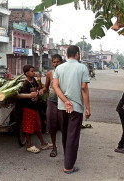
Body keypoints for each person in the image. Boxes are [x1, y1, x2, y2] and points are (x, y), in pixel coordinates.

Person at [53, 45, 90, 174]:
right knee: (73, 136)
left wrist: (65, 101)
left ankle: (67, 158)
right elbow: (84, 88)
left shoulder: (59, 68)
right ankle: (69, 166)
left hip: (62, 107)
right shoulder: (82, 68)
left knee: (65, 134)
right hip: (76, 108)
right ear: (77, 54)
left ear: (67, 54)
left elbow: (55, 87)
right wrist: (87, 108)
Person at [20, 64, 52, 154]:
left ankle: (43, 143)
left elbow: (39, 89)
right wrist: (31, 95)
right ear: (27, 73)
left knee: (38, 125)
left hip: (35, 107)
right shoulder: (25, 83)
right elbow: (24, 96)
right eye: (32, 71)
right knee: (28, 126)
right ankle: (29, 145)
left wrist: (39, 80)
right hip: (28, 108)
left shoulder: (33, 80)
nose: (34, 73)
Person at [43, 54, 63, 157]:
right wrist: (41, 91)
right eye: (54, 62)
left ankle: (66, 147)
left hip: (63, 102)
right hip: (51, 101)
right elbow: (46, 87)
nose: (55, 64)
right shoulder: (50, 74)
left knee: (64, 126)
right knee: (52, 125)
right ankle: (54, 147)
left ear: (61, 62)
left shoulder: (65, 73)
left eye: (57, 62)